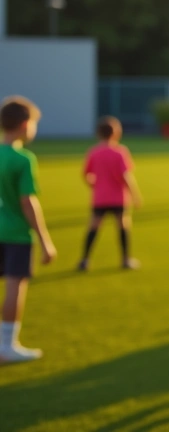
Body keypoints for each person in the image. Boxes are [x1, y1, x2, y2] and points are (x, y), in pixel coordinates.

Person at [0, 97, 57, 363]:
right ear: (25, 125)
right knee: (14, 285)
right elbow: (27, 201)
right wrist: (45, 240)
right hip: (16, 234)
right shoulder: (23, 159)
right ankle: (7, 345)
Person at [78, 116, 143, 271]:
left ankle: (85, 260)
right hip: (118, 198)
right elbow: (125, 175)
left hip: (100, 197)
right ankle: (125, 259)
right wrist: (135, 195)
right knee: (122, 227)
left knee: (93, 228)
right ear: (116, 133)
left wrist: (94, 185)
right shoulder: (120, 152)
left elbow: (86, 174)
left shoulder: (94, 152)